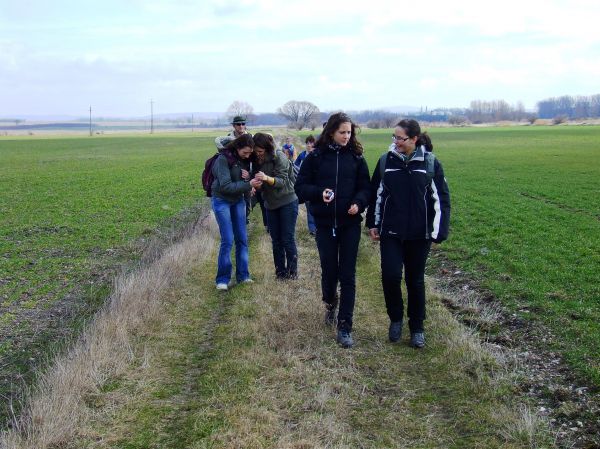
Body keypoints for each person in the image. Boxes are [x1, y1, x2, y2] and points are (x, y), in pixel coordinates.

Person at [366, 119, 451, 348]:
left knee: (415, 281)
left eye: (400, 138)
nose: (396, 142)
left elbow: (441, 199)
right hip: (391, 232)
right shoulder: (386, 162)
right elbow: (376, 194)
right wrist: (373, 224)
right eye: (394, 137)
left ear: (414, 139)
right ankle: (395, 318)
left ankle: (417, 328)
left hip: (418, 234)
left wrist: (437, 232)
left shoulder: (430, 163)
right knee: (391, 276)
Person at [295, 112, 371, 348]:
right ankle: (330, 302)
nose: (346, 136)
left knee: (347, 274)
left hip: (350, 225)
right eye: (342, 132)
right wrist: (320, 193)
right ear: (330, 132)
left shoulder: (357, 158)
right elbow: (300, 187)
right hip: (325, 224)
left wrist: (359, 203)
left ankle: (345, 326)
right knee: (329, 270)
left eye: (349, 132)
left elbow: (366, 188)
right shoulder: (315, 157)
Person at [250, 133, 299, 279]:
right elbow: (261, 185)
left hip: (287, 201)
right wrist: (256, 186)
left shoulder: (279, 157)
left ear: (267, 148)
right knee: (276, 240)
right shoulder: (256, 161)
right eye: (255, 151)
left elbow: (282, 182)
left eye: (260, 151)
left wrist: (266, 178)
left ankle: (292, 272)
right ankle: (280, 273)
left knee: (287, 238)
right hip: (270, 204)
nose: (258, 154)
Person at [211, 134, 255, 290]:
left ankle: (243, 276)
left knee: (242, 238)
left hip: (238, 201)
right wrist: (248, 184)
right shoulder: (222, 160)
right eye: (245, 153)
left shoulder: (246, 160)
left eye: (250, 153)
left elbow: (244, 181)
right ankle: (222, 279)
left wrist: (248, 178)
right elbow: (226, 186)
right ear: (237, 148)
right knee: (228, 239)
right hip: (221, 200)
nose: (248, 156)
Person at [293, 135, 317, 235]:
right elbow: (295, 166)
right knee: (309, 207)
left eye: (311, 143)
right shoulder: (302, 155)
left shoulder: (318, 155)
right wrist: (302, 175)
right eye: (307, 143)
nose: (309, 145)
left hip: (317, 186)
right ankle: (312, 229)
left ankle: (320, 227)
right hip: (306, 186)